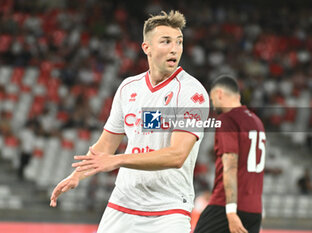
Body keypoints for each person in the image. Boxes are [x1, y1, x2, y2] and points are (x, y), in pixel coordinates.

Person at [50, 10, 209, 233]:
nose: (175, 48)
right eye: (166, 41)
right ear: (147, 48)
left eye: (179, 42)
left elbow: (177, 155)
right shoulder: (128, 88)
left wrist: (117, 160)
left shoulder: (192, 93)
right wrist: (77, 175)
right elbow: (106, 144)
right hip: (123, 204)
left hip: (168, 209)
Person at [194, 75, 265, 233]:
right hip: (254, 209)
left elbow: (230, 166)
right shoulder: (256, 121)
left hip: (226, 206)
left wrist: (231, 211)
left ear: (219, 94)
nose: (212, 104)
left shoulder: (227, 120)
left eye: (212, 99)